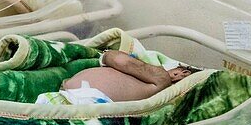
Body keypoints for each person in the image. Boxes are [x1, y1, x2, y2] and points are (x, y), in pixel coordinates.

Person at [62, 50, 199, 102]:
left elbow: (119, 60)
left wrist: (107, 54)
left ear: (181, 73)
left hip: (84, 99)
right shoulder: (157, 91)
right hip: (76, 98)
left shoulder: (162, 79)